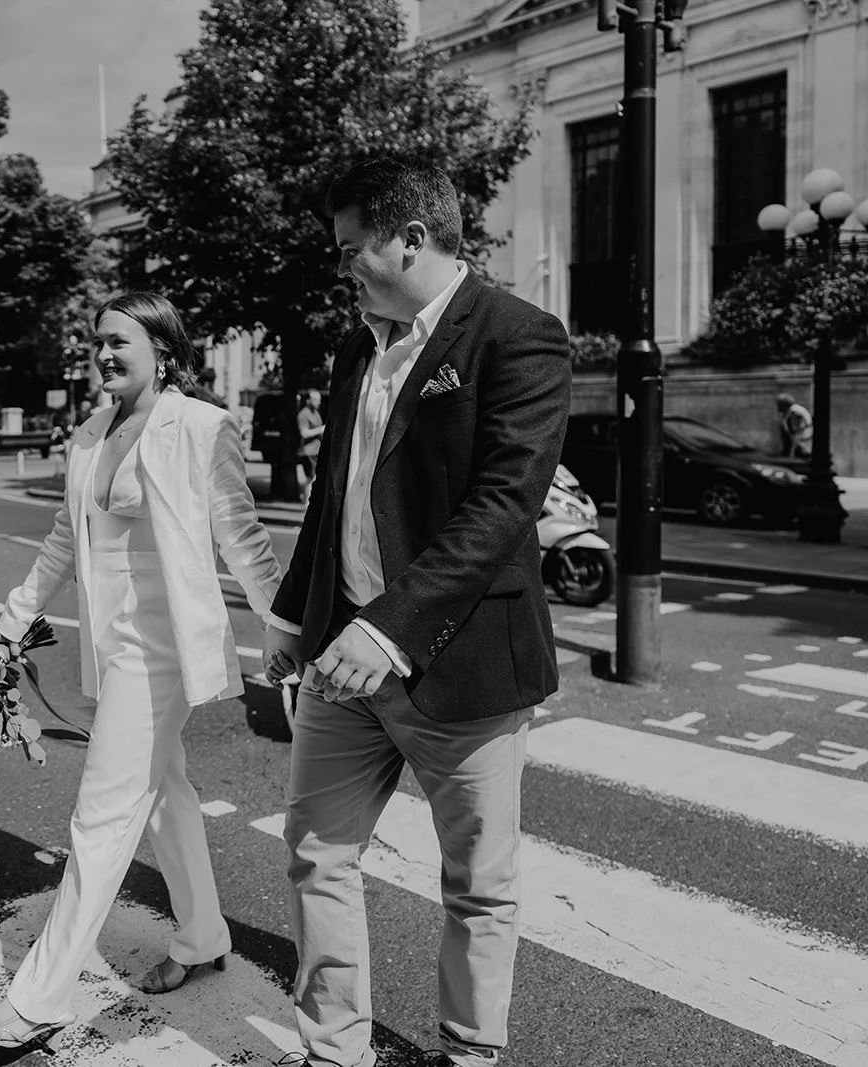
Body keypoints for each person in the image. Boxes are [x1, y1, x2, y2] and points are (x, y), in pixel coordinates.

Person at [262, 157, 572, 1067]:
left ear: (410, 237)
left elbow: (503, 507)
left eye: (353, 247)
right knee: (316, 854)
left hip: (458, 661)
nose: (346, 265)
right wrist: (293, 616)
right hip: (341, 655)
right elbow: (336, 494)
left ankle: (470, 1052)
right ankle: (333, 1047)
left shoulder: (520, 335)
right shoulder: (361, 344)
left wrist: (389, 627)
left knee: (477, 883)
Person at [0, 291, 282, 1052]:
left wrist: (285, 632)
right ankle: (202, 934)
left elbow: (244, 542)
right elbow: (60, 548)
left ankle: (39, 996)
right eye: (97, 342)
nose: (103, 354)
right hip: (114, 650)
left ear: (163, 350)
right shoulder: (87, 436)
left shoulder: (201, 427)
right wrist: (9, 628)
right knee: (166, 794)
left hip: (165, 650)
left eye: (118, 341)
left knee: (102, 816)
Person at [295, 388, 324, 503]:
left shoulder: (316, 413)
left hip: (316, 450)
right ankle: (307, 503)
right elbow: (304, 433)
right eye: (316, 400)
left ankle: (309, 502)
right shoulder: (304, 414)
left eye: (319, 400)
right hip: (308, 451)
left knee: (314, 478)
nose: (319, 402)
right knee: (311, 478)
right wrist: (321, 430)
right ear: (308, 400)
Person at [776, 392, 813, 458]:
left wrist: (791, 453)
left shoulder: (794, 413)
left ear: (783, 404)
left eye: (778, 404)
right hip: (801, 447)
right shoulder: (792, 411)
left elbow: (795, 434)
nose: (777, 407)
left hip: (802, 448)